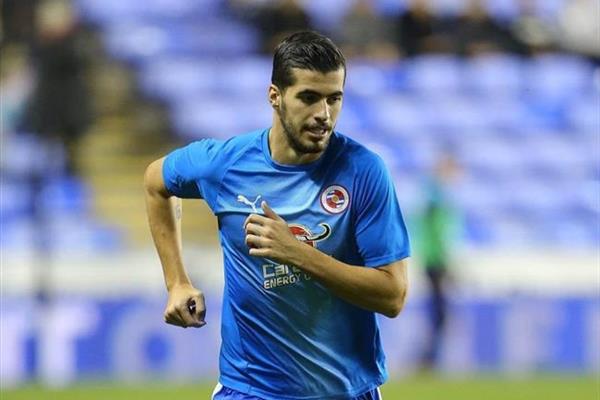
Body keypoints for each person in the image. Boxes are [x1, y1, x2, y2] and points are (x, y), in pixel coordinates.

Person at [144, 31, 410, 400]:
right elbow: (156, 182)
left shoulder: (364, 171)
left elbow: (393, 296)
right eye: (309, 98)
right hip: (250, 389)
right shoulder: (226, 164)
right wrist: (177, 282)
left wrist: (297, 253)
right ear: (275, 96)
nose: (324, 114)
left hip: (345, 390)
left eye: (334, 99)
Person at [415, 154, 461, 370]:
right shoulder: (436, 198)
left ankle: (429, 358)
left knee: (439, 313)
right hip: (435, 261)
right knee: (439, 313)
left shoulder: (434, 196)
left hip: (433, 259)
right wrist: (446, 259)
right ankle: (428, 358)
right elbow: (438, 232)